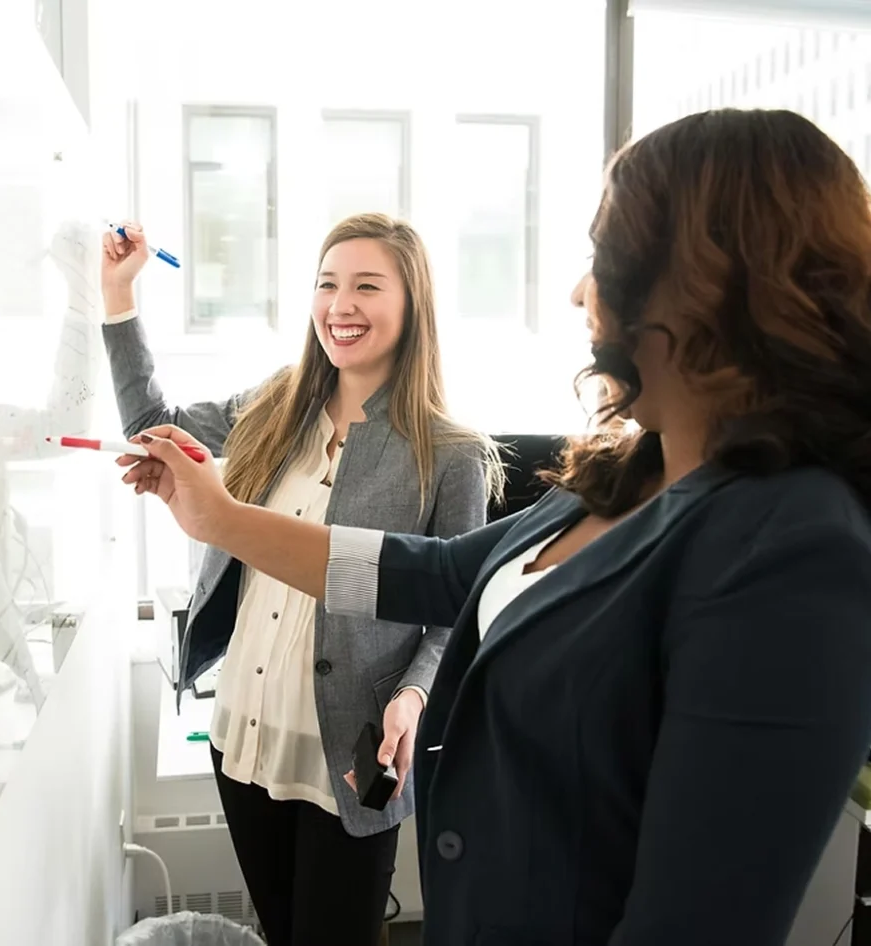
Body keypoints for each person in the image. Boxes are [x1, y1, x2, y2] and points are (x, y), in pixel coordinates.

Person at [116, 110, 871, 945]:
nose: (580, 292)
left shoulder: (796, 551)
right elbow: (434, 574)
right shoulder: (622, 474)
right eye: (329, 284)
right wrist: (218, 517)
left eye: (603, 259)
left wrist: (403, 694)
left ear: (709, 283)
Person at [100, 213, 503, 946]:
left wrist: (414, 697)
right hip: (244, 732)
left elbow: (457, 608)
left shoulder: (451, 453)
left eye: (366, 287)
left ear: (412, 305)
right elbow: (152, 424)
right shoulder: (275, 404)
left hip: (354, 751)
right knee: (284, 930)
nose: (339, 306)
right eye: (327, 284)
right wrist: (118, 297)